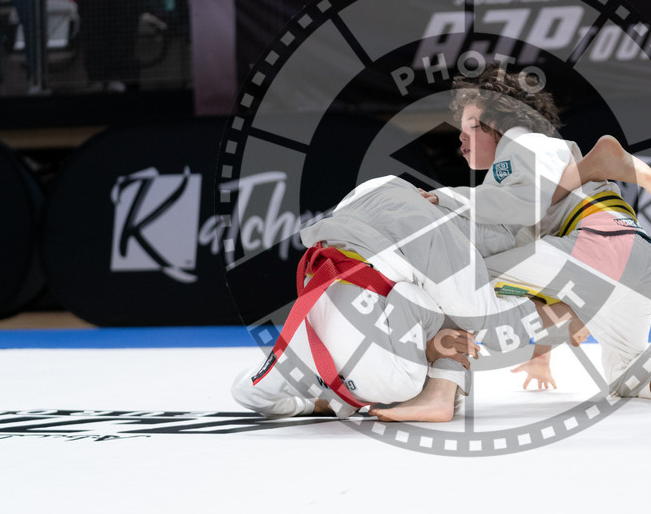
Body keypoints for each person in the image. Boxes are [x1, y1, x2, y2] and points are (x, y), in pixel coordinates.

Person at [408, 66, 651, 422]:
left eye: (472, 127)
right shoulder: (544, 156)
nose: (461, 138)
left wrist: (446, 198)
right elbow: (540, 271)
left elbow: (522, 205)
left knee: (461, 282)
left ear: (498, 122)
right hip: (638, 260)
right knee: (625, 377)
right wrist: (542, 354)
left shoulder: (519, 144)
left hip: (593, 248)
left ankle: (439, 393)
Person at [231, 175, 579, 423]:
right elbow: (247, 392)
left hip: (403, 220)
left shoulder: (399, 384)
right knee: (467, 307)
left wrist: (431, 347)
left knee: (476, 317)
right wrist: (312, 404)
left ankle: (573, 305)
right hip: (362, 206)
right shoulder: (299, 362)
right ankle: (439, 395)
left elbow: (416, 301)